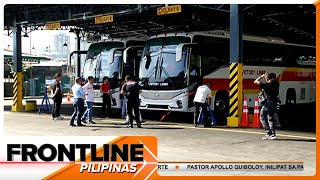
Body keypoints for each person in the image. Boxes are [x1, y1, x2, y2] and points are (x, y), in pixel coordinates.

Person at [254, 72, 279, 140]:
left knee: (262, 115)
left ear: (267, 78)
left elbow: (255, 81)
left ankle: (269, 132)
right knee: (270, 118)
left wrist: (261, 77)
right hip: (274, 103)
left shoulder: (267, 85)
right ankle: (273, 134)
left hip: (269, 103)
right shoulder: (276, 83)